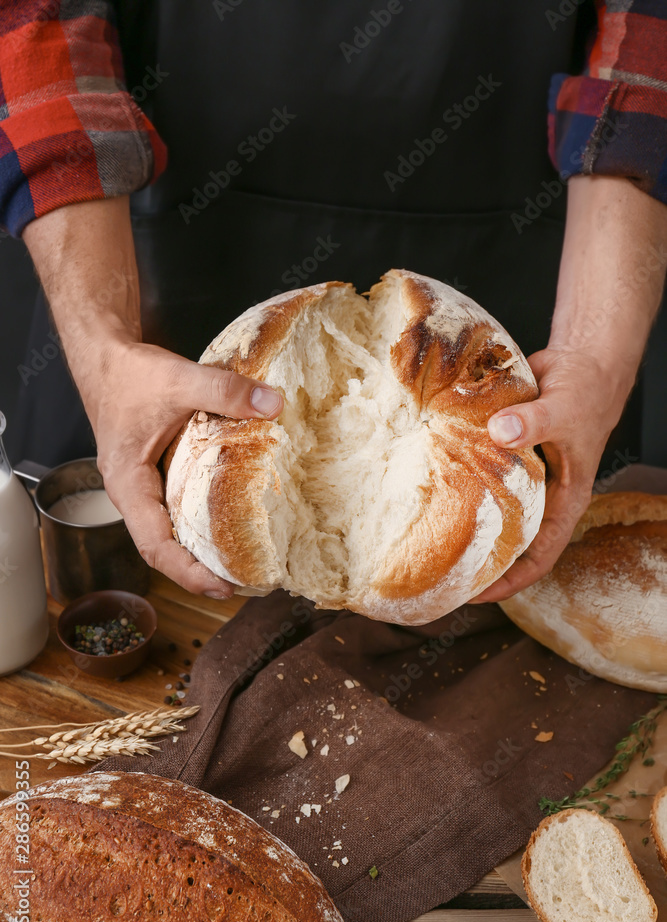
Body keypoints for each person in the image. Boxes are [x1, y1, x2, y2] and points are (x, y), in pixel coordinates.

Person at [1, 1, 666, 605]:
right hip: (154, 246)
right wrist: (102, 347)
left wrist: (593, 352)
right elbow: (34, 26)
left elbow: (648, 55)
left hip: (535, 262)